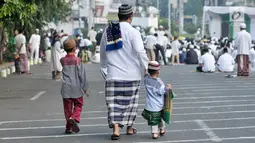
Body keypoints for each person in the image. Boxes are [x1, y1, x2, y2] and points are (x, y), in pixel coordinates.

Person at [100, 4, 149, 140]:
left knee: (113, 103)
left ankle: (116, 128)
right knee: (131, 103)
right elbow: (140, 51)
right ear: (131, 16)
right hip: (132, 75)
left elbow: (102, 51)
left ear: (118, 15)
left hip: (113, 74)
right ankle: (129, 127)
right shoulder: (134, 32)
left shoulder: (109, 30)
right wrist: (147, 66)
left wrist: (103, 66)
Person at [60, 38, 89, 134]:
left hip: (66, 89)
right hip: (76, 88)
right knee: (79, 104)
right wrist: (85, 88)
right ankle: (74, 117)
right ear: (75, 48)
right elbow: (82, 75)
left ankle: (69, 128)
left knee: (67, 109)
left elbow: (65, 59)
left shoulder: (62, 60)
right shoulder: (78, 60)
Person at [141, 61, 172, 139]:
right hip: (159, 105)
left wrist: (146, 69)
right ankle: (161, 130)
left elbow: (145, 73)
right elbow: (163, 91)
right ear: (158, 72)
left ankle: (155, 132)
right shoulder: (158, 83)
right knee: (160, 118)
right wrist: (168, 88)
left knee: (153, 120)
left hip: (150, 105)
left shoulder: (146, 79)